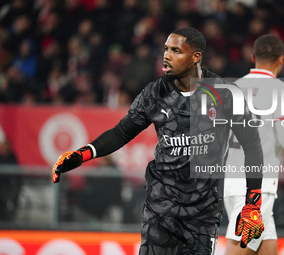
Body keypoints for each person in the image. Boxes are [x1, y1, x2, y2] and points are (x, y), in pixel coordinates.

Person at [52, 27, 264, 255]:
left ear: (196, 57)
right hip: (161, 208)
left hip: (203, 215)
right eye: (165, 49)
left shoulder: (225, 94)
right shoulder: (154, 94)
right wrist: (83, 154)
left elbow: (252, 145)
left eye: (175, 50)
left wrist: (253, 203)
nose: (166, 55)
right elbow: (121, 133)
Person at [224, 34, 284, 255]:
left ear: (253, 57)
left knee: (267, 247)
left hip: (233, 182)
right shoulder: (281, 91)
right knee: (237, 250)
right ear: (281, 60)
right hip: (256, 189)